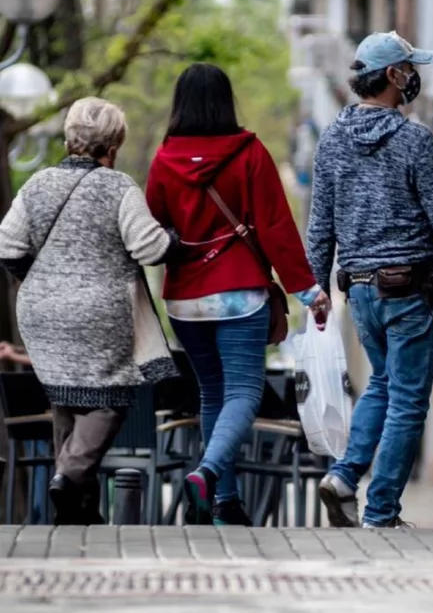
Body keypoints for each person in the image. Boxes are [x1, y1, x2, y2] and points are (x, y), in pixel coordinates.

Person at [308, 32, 433, 529]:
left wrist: (315, 287)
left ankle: (344, 478)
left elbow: (320, 221)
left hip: (359, 287)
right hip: (408, 288)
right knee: (408, 399)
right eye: (409, 70)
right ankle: (381, 511)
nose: (414, 78)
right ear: (392, 76)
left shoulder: (332, 137)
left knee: (382, 384)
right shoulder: (413, 139)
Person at [147, 63, 331, 527]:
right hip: (239, 294)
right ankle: (208, 473)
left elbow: (153, 228)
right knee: (245, 390)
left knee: (212, 393)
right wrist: (307, 289)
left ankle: (224, 501)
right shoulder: (249, 153)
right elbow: (275, 227)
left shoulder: (164, 158)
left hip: (185, 297)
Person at [0, 97, 177, 525]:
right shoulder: (117, 188)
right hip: (100, 310)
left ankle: (79, 510)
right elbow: (150, 247)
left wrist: (42, 278)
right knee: (109, 401)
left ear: (69, 138)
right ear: (112, 146)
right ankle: (69, 475)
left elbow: (7, 246)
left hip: (42, 312)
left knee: (66, 397)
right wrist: (177, 239)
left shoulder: (38, 184)